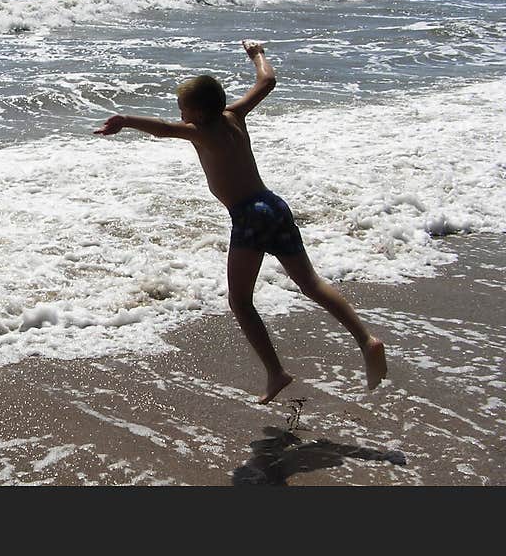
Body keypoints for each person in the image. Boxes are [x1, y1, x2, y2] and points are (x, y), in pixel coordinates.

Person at [94, 40, 387, 404]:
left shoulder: (200, 132)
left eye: (183, 107)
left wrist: (125, 121)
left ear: (198, 112)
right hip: (274, 205)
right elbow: (267, 82)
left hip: (249, 216)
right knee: (310, 282)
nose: (179, 112)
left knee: (241, 301)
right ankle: (366, 340)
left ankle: (276, 372)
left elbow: (164, 129)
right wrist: (257, 54)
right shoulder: (235, 115)